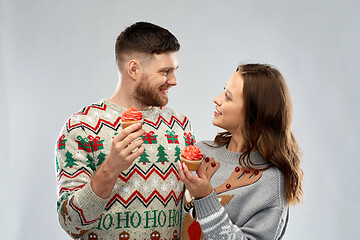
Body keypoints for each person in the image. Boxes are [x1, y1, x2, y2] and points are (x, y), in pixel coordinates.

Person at [55, 21, 196, 239]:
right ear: (133, 69)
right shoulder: (81, 127)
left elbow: (190, 211)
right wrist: (111, 168)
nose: (174, 81)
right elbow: (71, 224)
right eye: (165, 71)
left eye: (174, 71)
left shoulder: (181, 126)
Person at [178, 63, 303, 240]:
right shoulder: (201, 152)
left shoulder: (270, 183)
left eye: (228, 97)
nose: (217, 99)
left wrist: (205, 197)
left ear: (254, 113)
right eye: (223, 91)